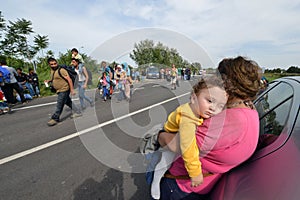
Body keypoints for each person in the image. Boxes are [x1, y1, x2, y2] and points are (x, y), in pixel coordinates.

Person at [150, 56, 261, 199]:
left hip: (182, 185)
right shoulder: (250, 111)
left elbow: (180, 145)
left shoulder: (228, 120)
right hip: (207, 182)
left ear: (226, 83)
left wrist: (160, 135)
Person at [150, 75, 228, 199]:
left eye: (220, 106)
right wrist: (195, 172)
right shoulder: (188, 117)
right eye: (209, 101)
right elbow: (187, 146)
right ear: (193, 98)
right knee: (165, 163)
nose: (213, 108)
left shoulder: (199, 111)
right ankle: (155, 183)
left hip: (176, 133)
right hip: (172, 134)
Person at [44, 57, 82, 126]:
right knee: (68, 102)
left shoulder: (61, 70)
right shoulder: (52, 71)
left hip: (64, 89)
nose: (54, 65)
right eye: (52, 64)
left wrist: (72, 90)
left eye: (55, 63)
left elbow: (69, 80)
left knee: (60, 103)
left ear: (57, 63)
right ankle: (78, 111)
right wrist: (49, 81)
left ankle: (55, 118)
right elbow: (54, 78)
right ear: (49, 65)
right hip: (59, 90)